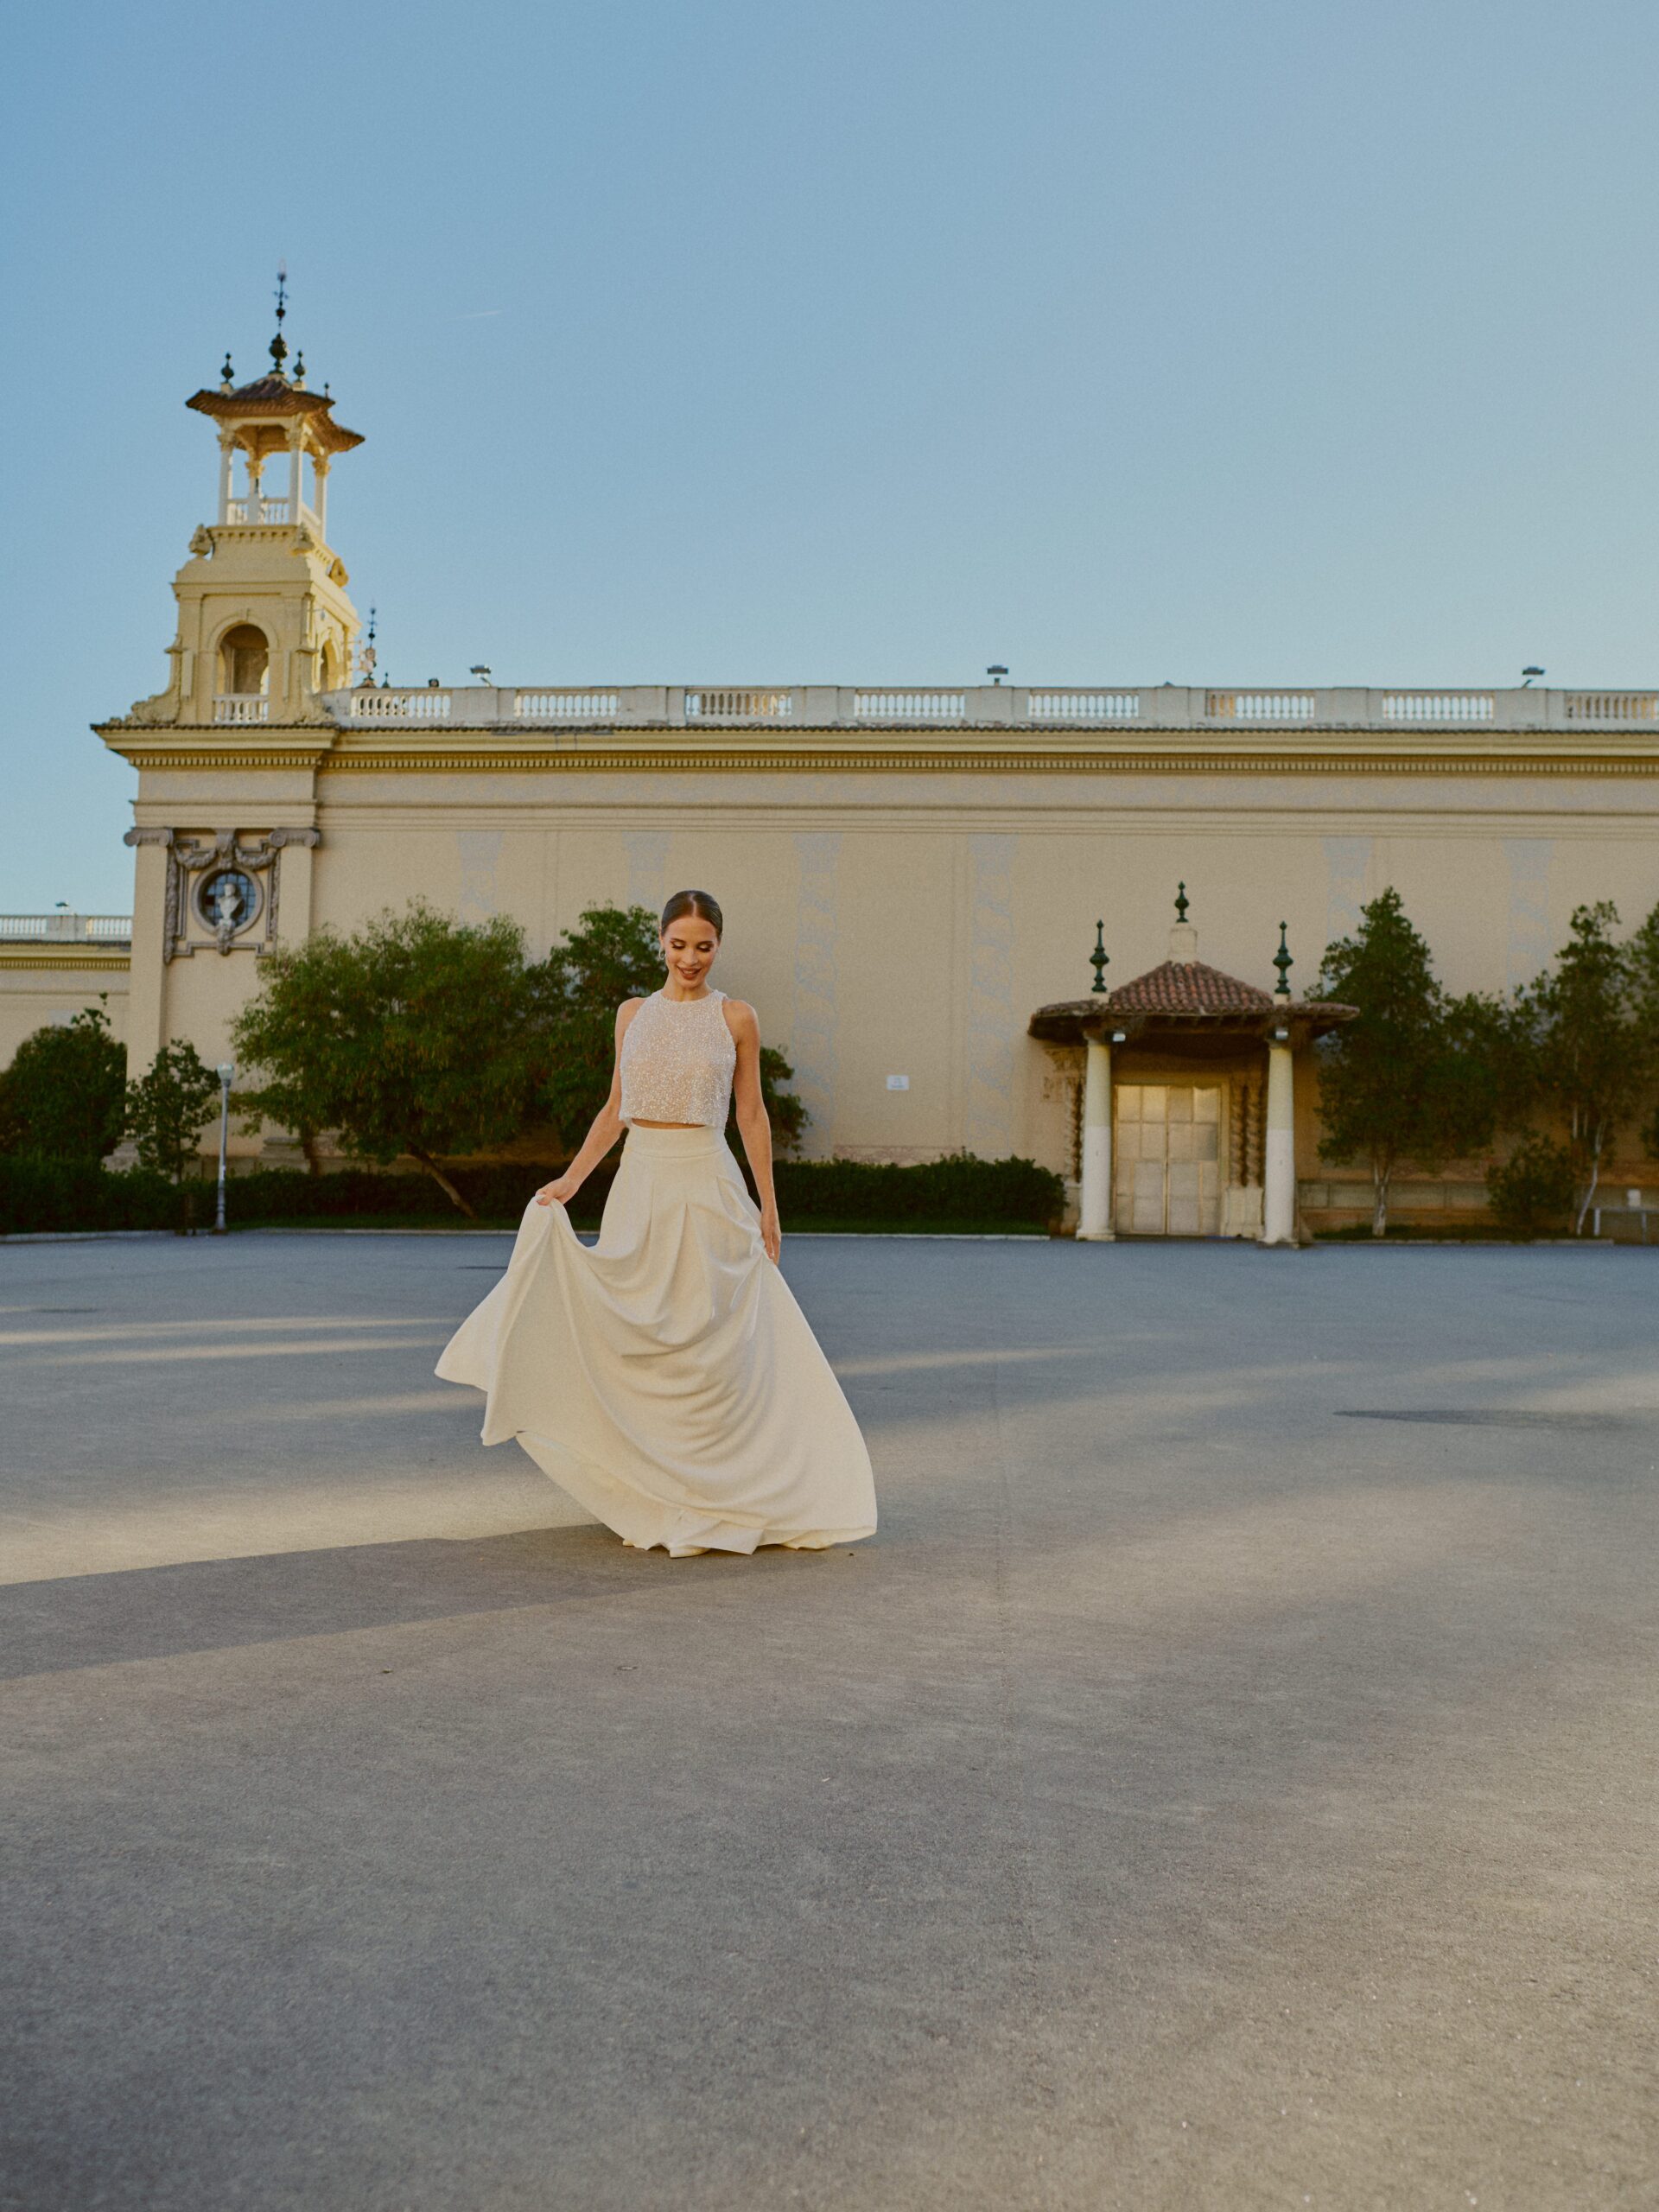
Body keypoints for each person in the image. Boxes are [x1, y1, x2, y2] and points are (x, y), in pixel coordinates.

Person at [435, 888, 878, 1557]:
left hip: (708, 1184)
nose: (690, 958)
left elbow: (750, 1117)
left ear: (718, 946)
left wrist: (770, 1206)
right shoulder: (632, 1014)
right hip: (640, 1186)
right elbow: (616, 1108)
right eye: (679, 945)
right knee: (637, 1337)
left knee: (706, 1348)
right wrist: (573, 1179)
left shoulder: (737, 1018)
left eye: (703, 946)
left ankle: (721, 1491)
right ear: (661, 944)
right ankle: (649, 1488)